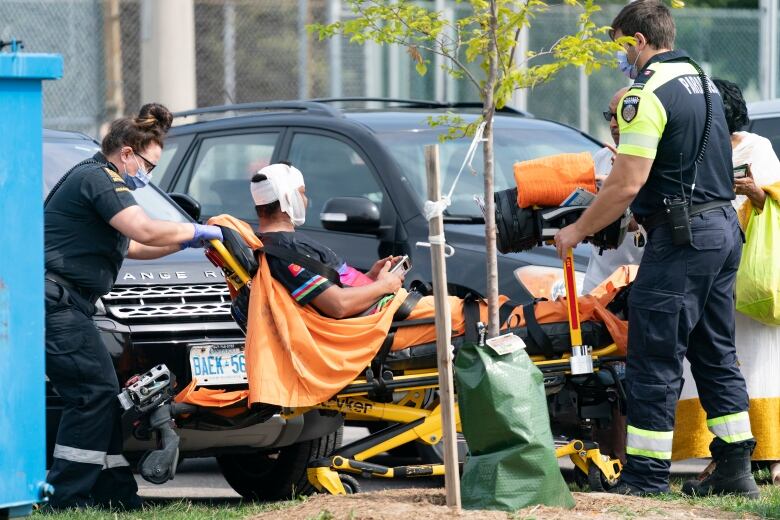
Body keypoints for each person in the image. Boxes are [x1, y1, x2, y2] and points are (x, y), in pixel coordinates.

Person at [553, 0, 758, 497]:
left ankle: (645, 479)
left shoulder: (645, 94)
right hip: (721, 230)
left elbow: (627, 181)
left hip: (683, 239)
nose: (618, 58)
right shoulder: (703, 83)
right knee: (714, 352)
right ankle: (735, 469)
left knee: (654, 356)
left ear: (636, 41)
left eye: (619, 46)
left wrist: (576, 230)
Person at [44, 103, 223, 510]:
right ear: (126, 153)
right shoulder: (99, 178)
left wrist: (187, 241)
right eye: (148, 165)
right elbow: (142, 228)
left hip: (70, 304)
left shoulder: (101, 180)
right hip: (55, 303)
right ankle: (64, 497)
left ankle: (113, 492)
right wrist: (197, 228)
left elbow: (136, 247)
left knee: (104, 394)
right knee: (92, 393)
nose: (148, 175)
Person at [674, 79, 780, 485]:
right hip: (712, 273)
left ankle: (772, 454)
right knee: (718, 363)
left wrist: (755, 191)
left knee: (761, 366)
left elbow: (774, 199)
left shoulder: (757, 147)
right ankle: (726, 454)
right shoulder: (698, 148)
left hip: (751, 274)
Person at [583, 86, 644, 295]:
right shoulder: (599, 159)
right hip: (598, 285)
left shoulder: (656, 163)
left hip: (642, 285)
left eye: (620, 116)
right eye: (610, 115)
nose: (613, 124)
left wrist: (623, 179)